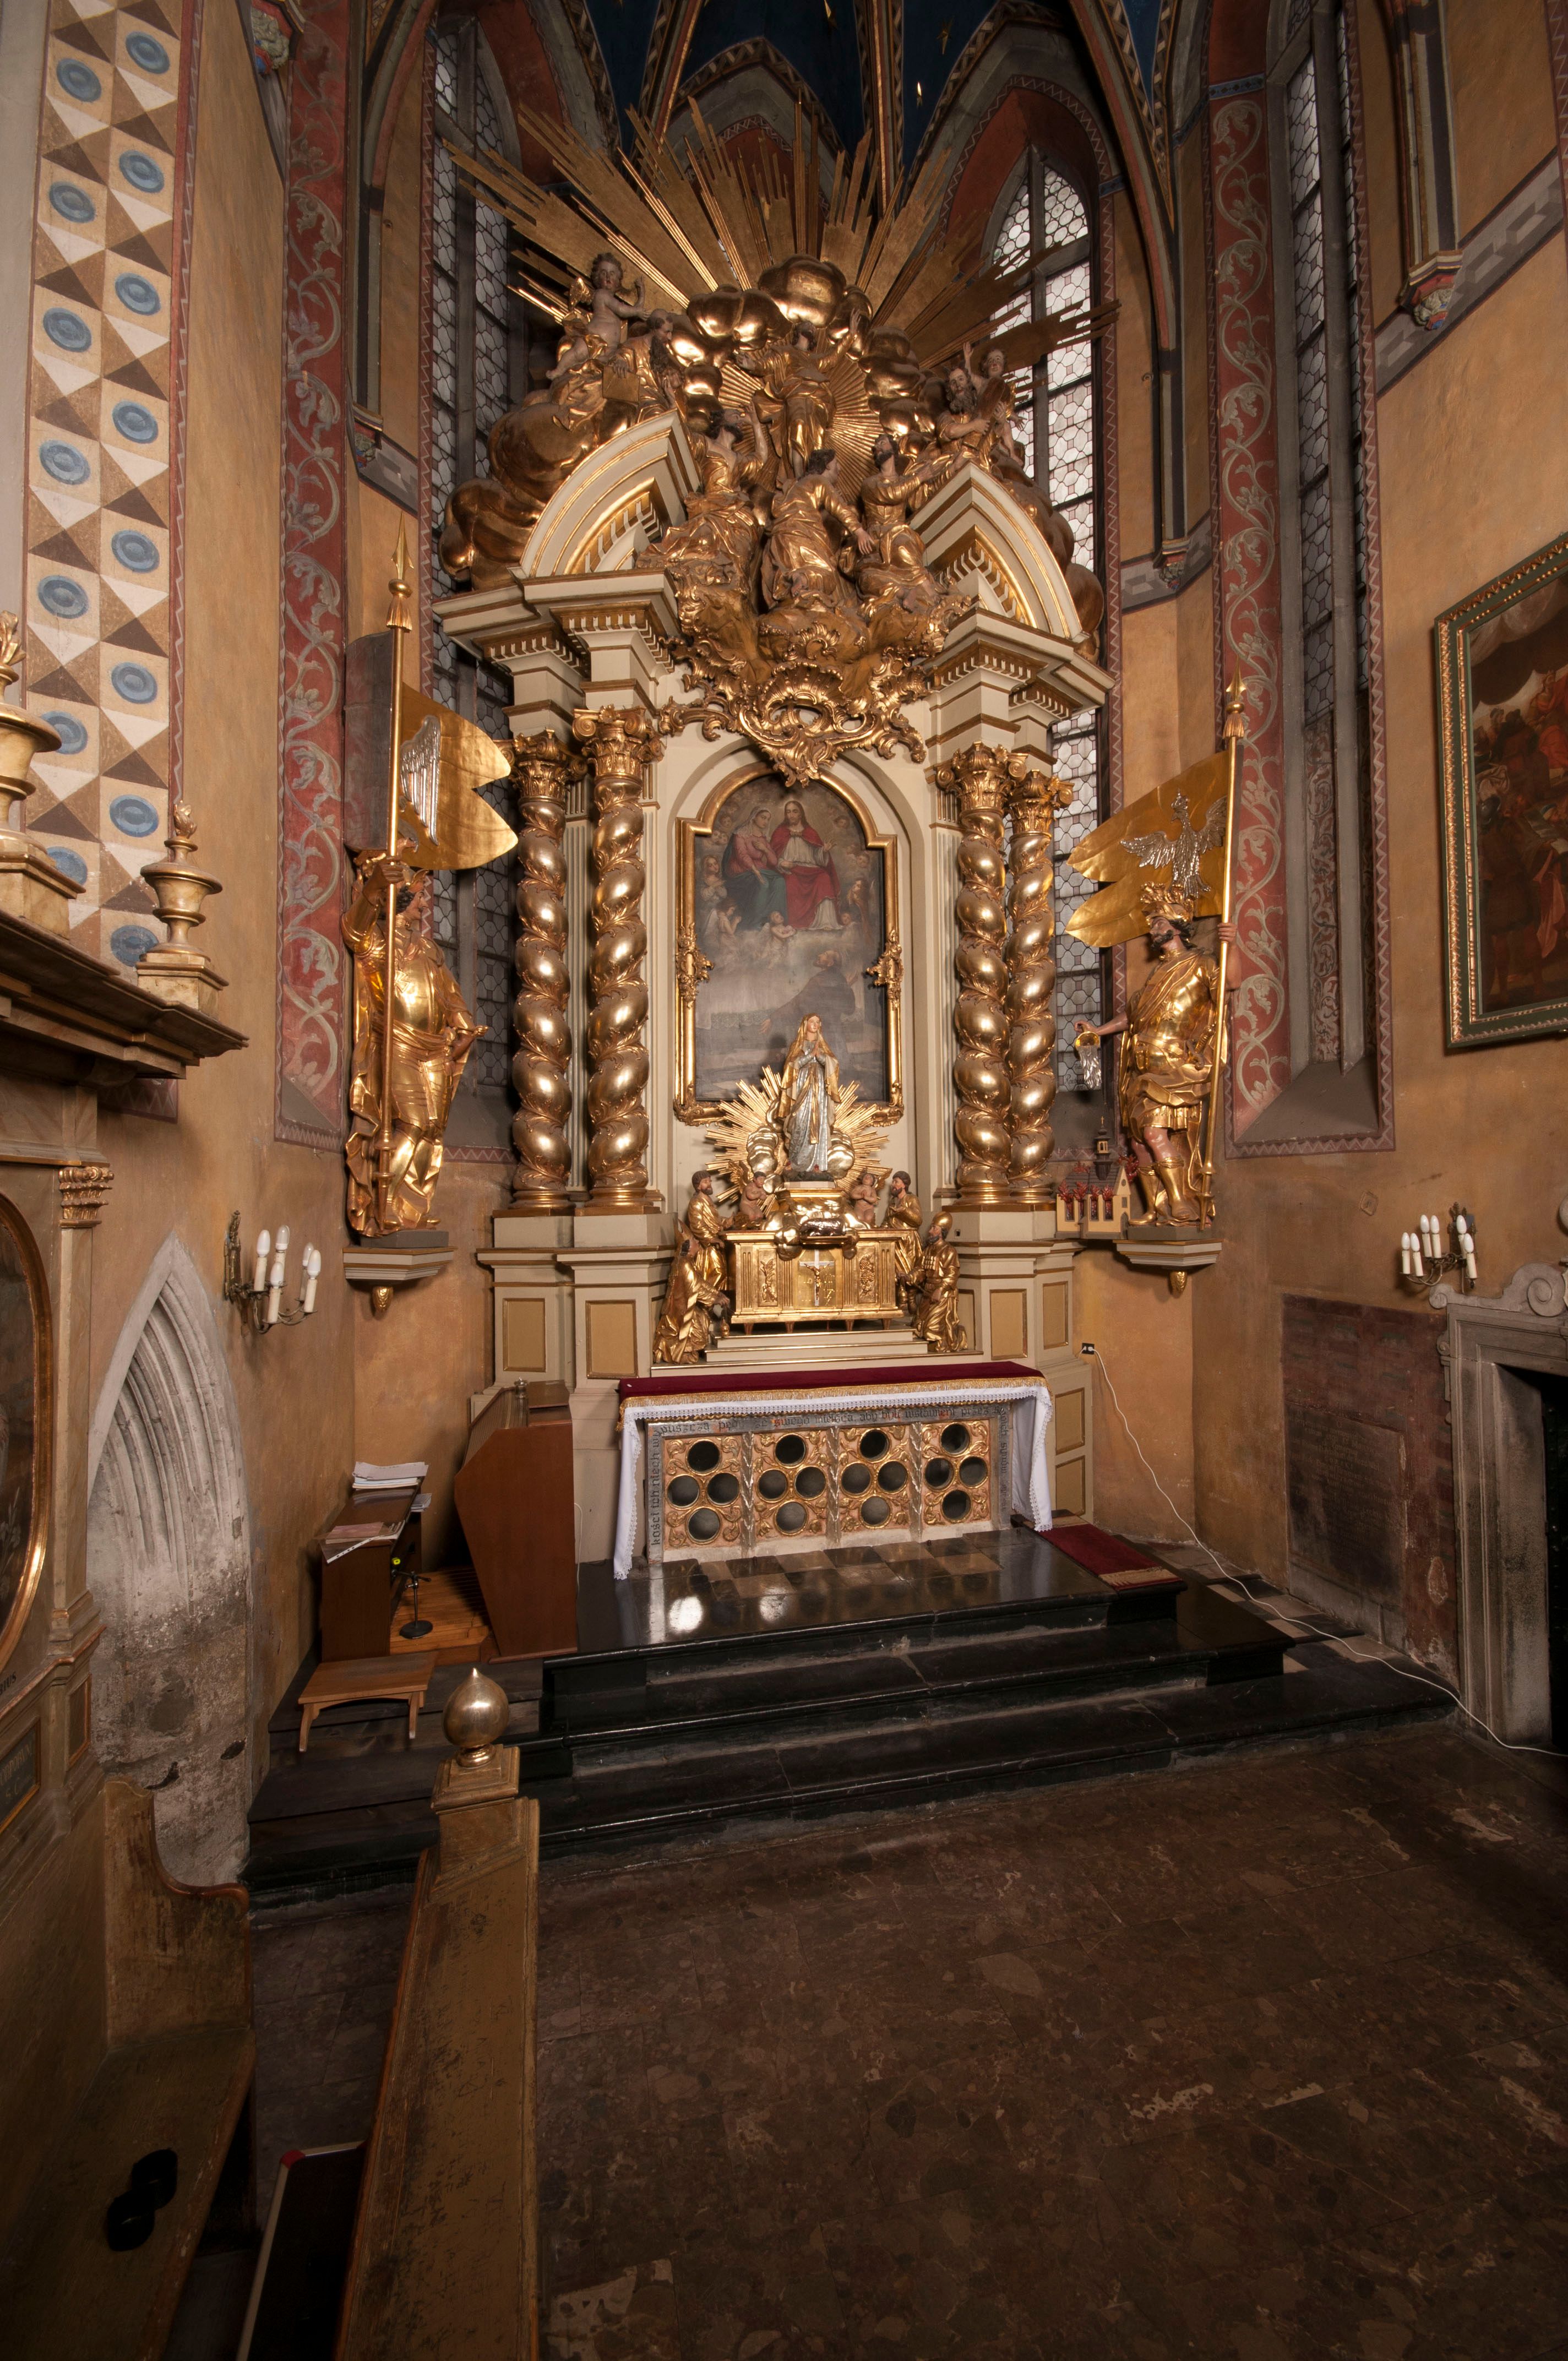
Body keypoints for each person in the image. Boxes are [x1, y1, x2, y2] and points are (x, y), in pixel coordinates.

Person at [1074, 883, 1229, 1224]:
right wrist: (1097, 1031)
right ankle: (1156, 1209)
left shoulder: (1201, 964)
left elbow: (1228, 988)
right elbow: (1132, 1016)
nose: (1153, 930)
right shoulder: (1156, 974)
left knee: (1154, 1134)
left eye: (1159, 923)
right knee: (1139, 1143)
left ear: (1177, 924)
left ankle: (1180, 1202)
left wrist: (1232, 946)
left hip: (1173, 1066)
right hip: (1141, 1069)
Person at [652, 1171, 732, 1363]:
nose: (709, 1183)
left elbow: (699, 1283)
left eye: (709, 1180)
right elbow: (697, 1287)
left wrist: (727, 1222)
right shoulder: (696, 1203)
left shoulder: (686, 1262)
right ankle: (684, 1349)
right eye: (706, 1181)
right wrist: (716, 1298)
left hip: (711, 1248)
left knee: (720, 1275)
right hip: (681, 1313)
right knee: (716, 1276)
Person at [777, 1013, 841, 1174]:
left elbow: (834, 1065)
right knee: (798, 1121)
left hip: (819, 1089)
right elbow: (791, 1066)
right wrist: (809, 1057)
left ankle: (817, 1165)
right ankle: (795, 1162)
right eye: (812, 1021)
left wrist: (820, 1057)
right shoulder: (797, 1045)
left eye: (818, 1022)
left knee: (817, 1123)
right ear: (805, 1024)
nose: (815, 1025)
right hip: (801, 1087)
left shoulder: (823, 1046)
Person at [771, 796, 841, 931]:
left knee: (824, 878)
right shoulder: (780, 833)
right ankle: (796, 923)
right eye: (788, 812)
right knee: (790, 883)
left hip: (811, 869)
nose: (791, 815)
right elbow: (772, 857)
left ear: (801, 814)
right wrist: (782, 863)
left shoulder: (810, 832)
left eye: (795, 811)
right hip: (792, 870)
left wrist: (824, 851)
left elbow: (818, 859)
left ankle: (825, 922)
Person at [722, 800, 788, 931]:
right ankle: (756, 921)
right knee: (764, 884)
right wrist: (755, 870)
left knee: (780, 881)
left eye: (768, 819)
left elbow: (774, 862)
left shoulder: (763, 838)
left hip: (759, 868)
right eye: (763, 818)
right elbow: (742, 856)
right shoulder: (741, 834)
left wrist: (765, 850)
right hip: (742, 869)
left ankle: (773, 920)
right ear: (754, 817)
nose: (766, 822)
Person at [884, 1169, 924, 1310]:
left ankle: (911, 1299)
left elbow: (918, 1220)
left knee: (909, 1270)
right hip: (894, 1241)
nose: (893, 1185)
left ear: (904, 1185)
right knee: (895, 1272)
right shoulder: (893, 1202)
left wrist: (904, 1211)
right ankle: (900, 1300)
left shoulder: (911, 1199)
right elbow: (887, 1222)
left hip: (908, 1240)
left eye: (896, 1182)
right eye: (893, 1182)